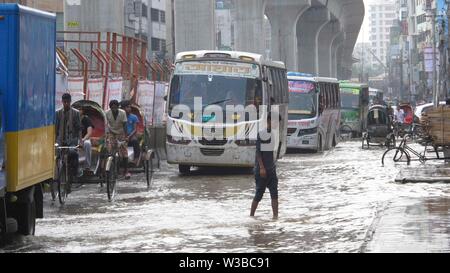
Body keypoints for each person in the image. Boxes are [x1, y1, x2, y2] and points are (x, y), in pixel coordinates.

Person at [250, 113, 279, 220]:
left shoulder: (272, 134)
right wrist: (262, 168)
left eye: (277, 122)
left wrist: (273, 166)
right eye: (275, 121)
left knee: (274, 194)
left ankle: (275, 217)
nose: (277, 124)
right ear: (268, 121)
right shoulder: (262, 134)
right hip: (262, 170)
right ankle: (251, 217)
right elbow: (258, 152)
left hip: (271, 169)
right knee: (259, 194)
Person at [55, 93, 82, 181]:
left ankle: (75, 172)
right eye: (64, 102)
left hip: (72, 139)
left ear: (70, 102)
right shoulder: (58, 113)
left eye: (68, 102)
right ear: (62, 102)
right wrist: (54, 140)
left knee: (73, 153)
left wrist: (80, 141)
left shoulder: (76, 113)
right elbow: (56, 128)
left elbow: (79, 128)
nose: (66, 104)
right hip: (60, 139)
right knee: (57, 156)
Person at [105, 100, 130, 179]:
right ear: (110, 108)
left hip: (121, 132)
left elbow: (125, 124)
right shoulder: (107, 113)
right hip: (111, 132)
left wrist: (126, 136)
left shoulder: (122, 113)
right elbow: (105, 125)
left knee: (124, 151)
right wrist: (106, 136)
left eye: (116, 108)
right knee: (110, 150)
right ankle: (112, 169)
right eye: (113, 108)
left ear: (118, 107)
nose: (114, 109)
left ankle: (126, 171)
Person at [121, 100, 141, 166]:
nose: (129, 108)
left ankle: (135, 159)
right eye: (127, 107)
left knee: (135, 142)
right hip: (122, 135)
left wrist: (128, 137)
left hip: (131, 135)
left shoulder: (134, 117)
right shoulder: (120, 117)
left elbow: (135, 129)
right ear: (123, 108)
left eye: (129, 107)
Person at [79, 105, 95, 175]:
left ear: (83, 111)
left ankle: (87, 166)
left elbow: (89, 132)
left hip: (85, 138)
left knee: (87, 144)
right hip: (74, 138)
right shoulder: (72, 118)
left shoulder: (86, 119)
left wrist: (83, 139)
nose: (78, 111)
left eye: (80, 109)